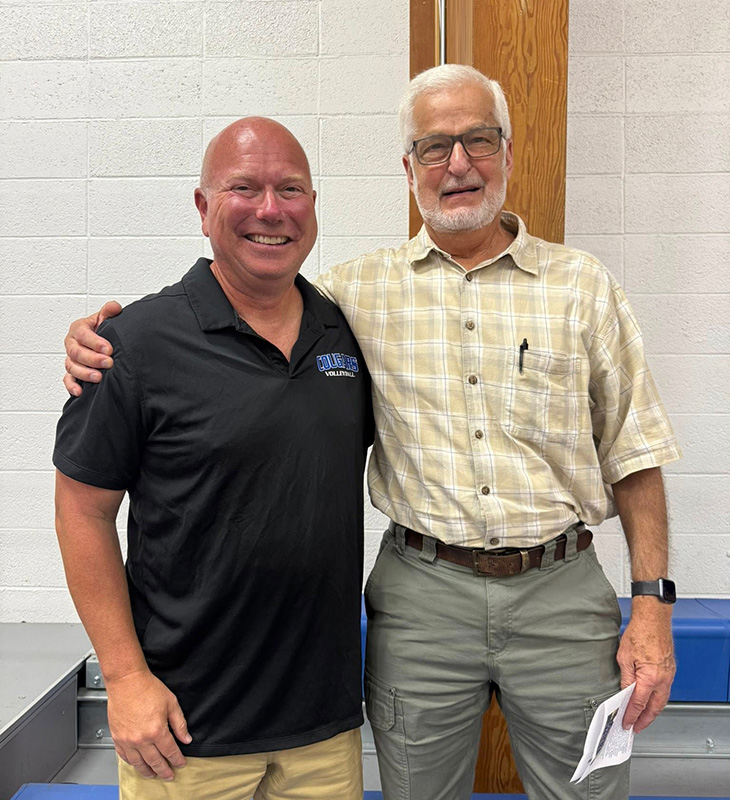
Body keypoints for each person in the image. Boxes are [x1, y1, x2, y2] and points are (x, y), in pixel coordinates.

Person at [62, 65, 681, 800]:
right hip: (422, 599)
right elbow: (96, 496)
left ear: (509, 155)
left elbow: (635, 454)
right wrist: (99, 338)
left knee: (590, 790)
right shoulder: (353, 296)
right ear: (407, 168)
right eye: (433, 147)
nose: (458, 164)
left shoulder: (582, 285)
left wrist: (652, 605)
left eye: (478, 140)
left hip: (561, 588)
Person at [53, 117, 372, 800]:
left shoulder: (346, 333)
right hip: (182, 730)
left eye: (290, 189)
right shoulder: (133, 345)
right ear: (203, 209)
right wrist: (125, 679)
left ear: (313, 207)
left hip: (324, 729)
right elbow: (82, 511)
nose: (270, 209)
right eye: (244, 188)